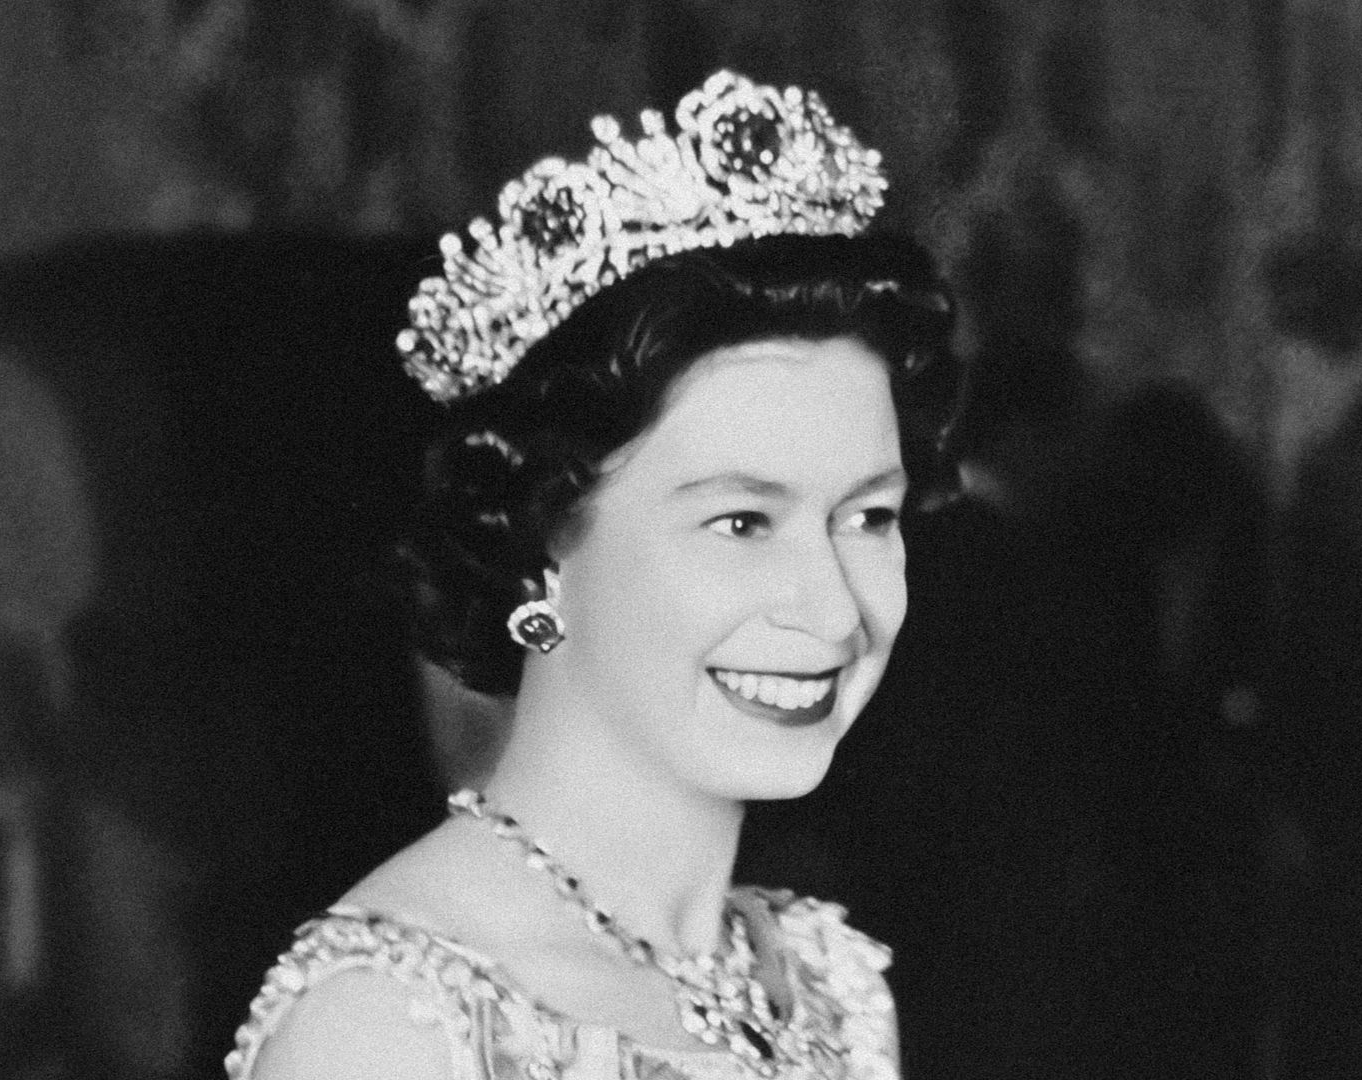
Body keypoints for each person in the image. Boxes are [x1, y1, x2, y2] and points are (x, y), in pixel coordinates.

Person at [226, 70, 963, 1080]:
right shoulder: (390, 1027)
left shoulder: (828, 981)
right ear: (541, 541)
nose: (835, 609)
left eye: (868, 517)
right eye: (742, 522)